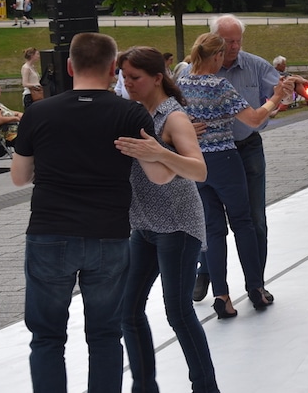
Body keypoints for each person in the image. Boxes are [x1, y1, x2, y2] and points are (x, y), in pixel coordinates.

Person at [10, 33, 169, 392]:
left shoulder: (39, 112)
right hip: (109, 235)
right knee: (105, 335)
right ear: (114, 69)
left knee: (47, 337)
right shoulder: (130, 113)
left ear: (69, 67)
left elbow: (19, 178)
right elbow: (159, 175)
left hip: (49, 233)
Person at [114, 47, 219, 392]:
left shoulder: (172, 117)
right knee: (128, 311)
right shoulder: (131, 112)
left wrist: (159, 152)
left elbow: (199, 170)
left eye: (135, 78)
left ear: (157, 78)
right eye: (124, 77)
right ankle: (145, 386)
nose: (127, 83)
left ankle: (205, 387)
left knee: (178, 312)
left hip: (177, 224)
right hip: (143, 223)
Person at [179, 33, 287, 318]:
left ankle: (221, 296)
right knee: (243, 223)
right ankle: (255, 288)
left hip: (197, 162)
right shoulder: (219, 85)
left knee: (213, 230)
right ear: (215, 57)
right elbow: (252, 118)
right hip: (225, 159)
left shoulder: (182, 83)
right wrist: (274, 98)